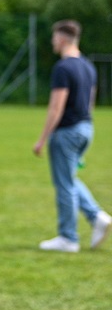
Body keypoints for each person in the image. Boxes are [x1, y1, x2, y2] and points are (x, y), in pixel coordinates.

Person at [33, 20, 111, 252]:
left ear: (63, 38)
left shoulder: (63, 68)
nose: (52, 41)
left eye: (54, 37)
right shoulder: (88, 66)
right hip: (86, 128)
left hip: (67, 131)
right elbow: (90, 102)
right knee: (69, 178)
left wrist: (42, 138)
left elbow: (56, 108)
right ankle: (97, 217)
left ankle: (68, 238)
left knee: (64, 183)